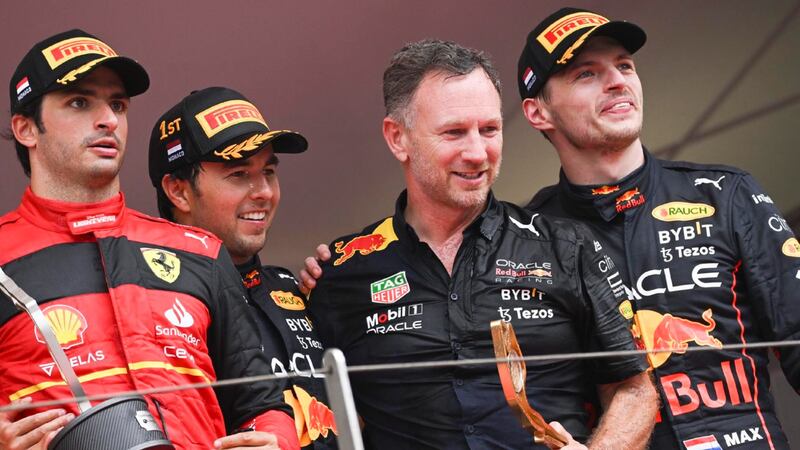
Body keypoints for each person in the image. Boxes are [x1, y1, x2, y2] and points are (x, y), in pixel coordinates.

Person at [304, 39, 657, 449]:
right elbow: (326, 417)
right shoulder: (342, 271)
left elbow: (634, 389)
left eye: (489, 129)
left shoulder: (565, 247)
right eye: (454, 132)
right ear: (397, 138)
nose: (477, 153)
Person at [0, 30, 298, 450]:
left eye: (117, 104)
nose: (108, 120)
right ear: (26, 128)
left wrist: (276, 442)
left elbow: (261, 404)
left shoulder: (200, 251)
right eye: (80, 102)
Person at [519, 7, 800, 449]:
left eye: (624, 65)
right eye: (586, 73)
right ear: (538, 112)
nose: (618, 81)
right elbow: (533, 395)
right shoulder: (526, 240)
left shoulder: (726, 194)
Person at [147, 86, 337, 449]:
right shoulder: (153, 307)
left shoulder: (294, 286)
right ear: (179, 191)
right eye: (238, 174)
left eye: (269, 171)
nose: (264, 191)